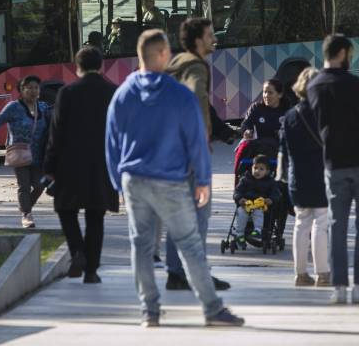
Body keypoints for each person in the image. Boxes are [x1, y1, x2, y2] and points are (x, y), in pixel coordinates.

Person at [105, 29, 244, 328]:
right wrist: (204, 180)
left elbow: (111, 143)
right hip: (170, 180)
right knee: (189, 245)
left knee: (141, 246)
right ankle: (212, 307)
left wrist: (118, 182)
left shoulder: (123, 94)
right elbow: (195, 140)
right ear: (162, 55)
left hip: (134, 180)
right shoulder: (179, 95)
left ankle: (149, 311)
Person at [308, 34, 359, 304]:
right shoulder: (352, 82)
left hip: (335, 163)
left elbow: (331, 121)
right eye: (349, 55)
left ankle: (339, 287)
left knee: (336, 225)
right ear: (342, 53)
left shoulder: (314, 85)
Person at [163, 17, 230, 291]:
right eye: (210, 35)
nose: (214, 39)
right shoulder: (194, 66)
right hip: (190, 152)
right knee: (200, 213)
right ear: (197, 40)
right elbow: (196, 95)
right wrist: (201, 135)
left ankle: (175, 273)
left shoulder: (174, 64)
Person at [44, 46, 119, 283]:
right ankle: (92, 271)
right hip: (103, 165)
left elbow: (56, 132)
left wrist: (49, 165)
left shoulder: (67, 92)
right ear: (101, 65)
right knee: (96, 216)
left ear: (77, 67)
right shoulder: (112, 92)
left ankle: (77, 252)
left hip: (70, 163)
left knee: (66, 210)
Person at [278, 67, 330, 287]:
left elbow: (283, 149)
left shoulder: (289, 116)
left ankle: (300, 273)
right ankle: (323, 273)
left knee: (301, 223)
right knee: (321, 222)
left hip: (296, 177)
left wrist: (282, 177)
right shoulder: (324, 113)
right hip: (320, 174)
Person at [0, 75, 51, 228]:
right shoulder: (13, 107)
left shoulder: (43, 107)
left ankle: (25, 207)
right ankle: (26, 215)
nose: (33, 91)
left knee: (40, 185)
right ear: (21, 90)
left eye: (36, 88)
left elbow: (56, 120)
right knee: (24, 186)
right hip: (20, 153)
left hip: (38, 154)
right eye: (29, 88)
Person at [231, 155, 281, 245]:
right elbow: (237, 191)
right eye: (255, 168)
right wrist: (240, 198)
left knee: (258, 212)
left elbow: (276, 194)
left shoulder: (270, 182)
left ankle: (257, 230)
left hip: (260, 205)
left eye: (261, 169)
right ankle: (239, 234)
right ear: (251, 168)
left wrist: (271, 199)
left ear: (267, 171)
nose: (257, 171)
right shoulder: (245, 179)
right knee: (241, 213)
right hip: (246, 204)